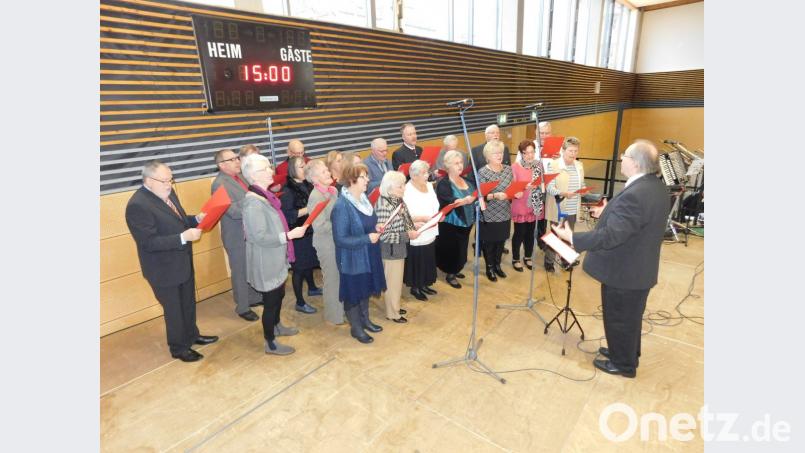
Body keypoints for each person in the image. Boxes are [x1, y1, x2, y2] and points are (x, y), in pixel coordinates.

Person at [552, 140, 669, 378]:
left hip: (625, 271)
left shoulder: (637, 193)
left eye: (624, 155)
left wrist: (573, 238)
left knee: (619, 318)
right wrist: (608, 211)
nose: (621, 159)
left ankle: (623, 364)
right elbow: (635, 221)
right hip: (638, 267)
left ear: (635, 163)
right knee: (629, 318)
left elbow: (612, 235)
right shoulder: (653, 186)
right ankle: (625, 352)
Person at [125, 160, 217, 362]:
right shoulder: (138, 205)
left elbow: (179, 221)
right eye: (164, 181)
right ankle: (179, 347)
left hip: (181, 261)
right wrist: (183, 238)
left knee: (188, 303)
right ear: (148, 181)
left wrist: (196, 219)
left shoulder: (167, 193)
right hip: (163, 269)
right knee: (174, 310)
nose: (169, 184)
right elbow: (148, 242)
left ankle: (192, 335)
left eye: (171, 180)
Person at [241, 154, 308, 355]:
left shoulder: (264, 195)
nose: (272, 171)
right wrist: (288, 235)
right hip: (266, 261)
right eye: (266, 168)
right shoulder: (253, 203)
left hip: (275, 257)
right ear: (254, 175)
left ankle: (277, 326)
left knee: (278, 296)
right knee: (270, 303)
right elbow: (259, 236)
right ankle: (269, 342)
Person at [331, 163, 387, 344]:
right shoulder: (342, 206)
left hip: (369, 253)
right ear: (351, 180)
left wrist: (375, 227)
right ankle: (356, 328)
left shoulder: (363, 200)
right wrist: (366, 238)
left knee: (365, 289)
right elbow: (340, 239)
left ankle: (365, 320)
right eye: (363, 177)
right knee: (354, 292)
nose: (368, 180)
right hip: (352, 258)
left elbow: (367, 223)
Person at [211, 149, 263, 321]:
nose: (237, 161)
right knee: (240, 271)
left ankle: (254, 297)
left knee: (251, 267)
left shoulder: (240, 177)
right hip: (235, 234)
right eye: (232, 159)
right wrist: (253, 199)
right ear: (221, 165)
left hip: (249, 231)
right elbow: (232, 211)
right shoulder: (219, 184)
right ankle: (242, 307)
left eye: (237, 158)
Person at [280, 156, 322, 315]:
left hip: (310, 230)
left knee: (309, 263)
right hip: (298, 234)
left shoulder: (307, 184)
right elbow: (288, 215)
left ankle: (312, 288)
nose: (304, 168)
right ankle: (300, 302)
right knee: (299, 269)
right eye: (300, 166)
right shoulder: (287, 190)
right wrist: (309, 209)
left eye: (304, 165)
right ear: (292, 169)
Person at [375, 171, 419, 322]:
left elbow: (404, 219)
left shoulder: (397, 199)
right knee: (392, 283)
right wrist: (407, 235)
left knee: (396, 281)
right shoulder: (384, 204)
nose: (404, 188)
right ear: (390, 188)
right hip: (390, 250)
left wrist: (413, 226)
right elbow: (384, 235)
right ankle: (392, 313)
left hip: (398, 247)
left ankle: (395, 306)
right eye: (400, 186)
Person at [304, 160, 344, 325]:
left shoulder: (333, 190)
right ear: (314, 179)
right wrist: (341, 225)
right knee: (332, 279)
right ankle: (334, 316)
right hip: (326, 243)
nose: (328, 173)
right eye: (323, 172)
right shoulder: (316, 196)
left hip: (338, 240)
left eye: (327, 170)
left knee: (340, 278)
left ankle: (342, 310)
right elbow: (319, 225)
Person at [435, 150, 476, 288]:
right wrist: (463, 201)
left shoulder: (467, 180)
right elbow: (447, 200)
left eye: (461, 162)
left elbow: (476, 194)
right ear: (448, 166)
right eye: (456, 163)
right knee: (452, 249)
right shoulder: (443, 183)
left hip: (467, 221)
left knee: (462, 248)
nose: (460, 165)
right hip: (452, 223)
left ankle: (457, 268)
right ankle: (450, 273)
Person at [544, 137, 585, 272]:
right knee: (555, 236)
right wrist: (563, 193)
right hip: (559, 206)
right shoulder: (554, 165)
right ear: (563, 150)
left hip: (573, 207)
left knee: (568, 235)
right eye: (571, 151)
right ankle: (549, 261)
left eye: (576, 151)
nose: (573, 154)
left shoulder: (579, 165)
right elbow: (549, 187)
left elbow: (582, 183)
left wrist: (583, 190)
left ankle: (565, 260)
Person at [478, 140, 517, 281]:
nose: (499, 155)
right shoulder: (483, 172)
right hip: (489, 214)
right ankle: (489, 267)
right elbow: (480, 196)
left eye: (500, 152)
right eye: (495, 153)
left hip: (505, 212)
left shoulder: (508, 169)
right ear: (488, 156)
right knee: (489, 243)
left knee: (501, 241)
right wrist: (495, 195)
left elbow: (512, 188)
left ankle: (497, 265)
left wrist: (515, 193)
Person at [402, 160, 440, 300]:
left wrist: (438, 216)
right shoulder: (407, 190)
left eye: (427, 172)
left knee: (428, 256)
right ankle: (415, 287)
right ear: (413, 175)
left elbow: (435, 204)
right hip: (417, 229)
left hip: (430, 227)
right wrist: (422, 218)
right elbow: (405, 214)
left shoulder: (429, 186)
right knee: (417, 259)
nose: (427, 175)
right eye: (424, 173)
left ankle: (424, 283)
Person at [510, 140, 540, 272]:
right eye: (526, 153)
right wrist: (524, 186)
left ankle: (527, 256)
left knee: (530, 233)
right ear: (521, 153)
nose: (529, 155)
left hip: (534, 204)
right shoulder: (515, 167)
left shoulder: (538, 165)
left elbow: (543, 181)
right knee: (519, 233)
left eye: (532, 152)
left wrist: (540, 184)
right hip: (520, 203)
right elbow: (511, 187)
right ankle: (515, 258)